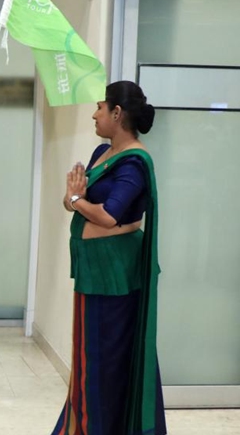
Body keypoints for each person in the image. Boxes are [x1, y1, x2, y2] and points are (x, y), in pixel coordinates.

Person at [54, 81, 166, 435]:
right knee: (88, 359)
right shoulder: (102, 153)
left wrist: (76, 201)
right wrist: (76, 200)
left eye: (100, 107)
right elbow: (79, 201)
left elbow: (109, 214)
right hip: (93, 271)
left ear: (117, 113)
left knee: (104, 361)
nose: (94, 113)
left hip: (114, 276)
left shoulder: (134, 162)